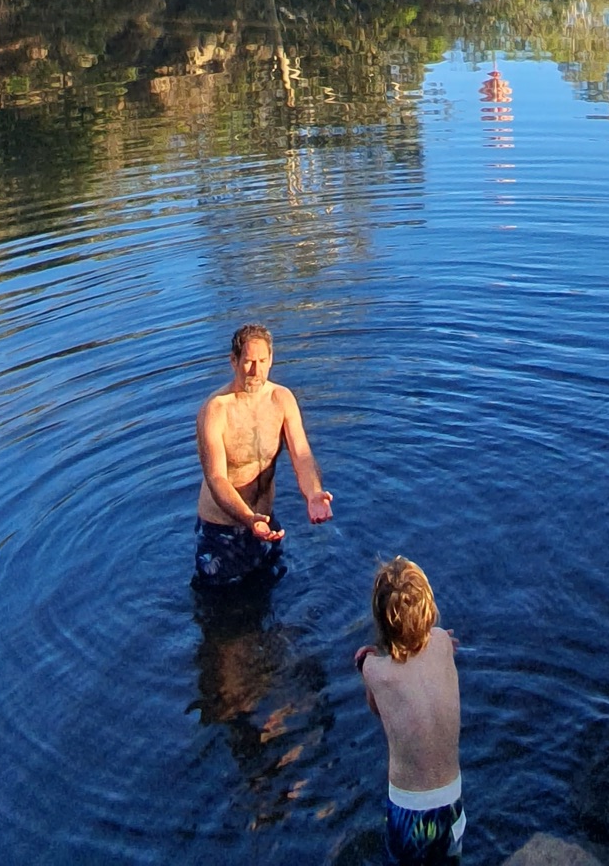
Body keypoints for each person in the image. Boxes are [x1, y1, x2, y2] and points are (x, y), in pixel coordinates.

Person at [194, 322, 332, 586]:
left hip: (265, 522)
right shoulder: (216, 410)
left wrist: (313, 493)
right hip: (222, 528)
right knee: (220, 610)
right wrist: (248, 518)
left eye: (262, 361)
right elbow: (216, 479)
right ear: (233, 361)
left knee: (270, 593)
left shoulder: (281, 399)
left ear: (272, 359)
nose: (256, 372)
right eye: (248, 362)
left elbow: (301, 454)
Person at [355, 556, 463, 865]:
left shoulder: (375, 670)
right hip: (452, 799)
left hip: (410, 808)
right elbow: (435, 646)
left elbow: (378, 710)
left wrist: (364, 661)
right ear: (430, 610)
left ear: (380, 619)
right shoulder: (442, 642)